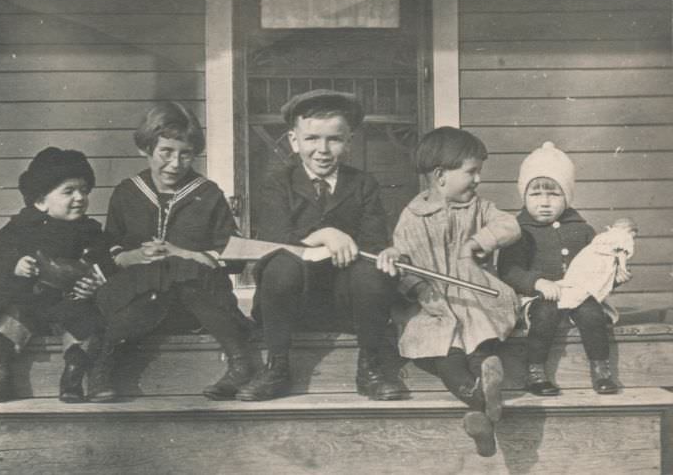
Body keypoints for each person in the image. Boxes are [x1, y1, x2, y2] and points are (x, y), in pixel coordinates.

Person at [237, 89, 408, 402]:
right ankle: (276, 366)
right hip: (291, 303)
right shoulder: (278, 182)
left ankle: (370, 366)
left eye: (334, 139)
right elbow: (273, 236)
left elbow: (372, 241)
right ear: (293, 140)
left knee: (373, 273)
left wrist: (387, 252)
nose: (323, 149)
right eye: (312, 138)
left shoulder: (362, 184)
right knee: (280, 264)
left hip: (345, 305)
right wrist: (324, 234)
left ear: (349, 142)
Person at [89, 101, 253, 402]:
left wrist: (183, 253)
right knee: (138, 298)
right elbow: (109, 246)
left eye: (185, 154)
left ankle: (240, 363)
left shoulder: (208, 194)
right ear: (146, 149)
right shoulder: (128, 192)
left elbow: (233, 253)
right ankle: (102, 368)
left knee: (188, 279)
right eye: (166, 152)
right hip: (143, 308)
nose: (175, 164)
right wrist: (131, 257)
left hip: (196, 308)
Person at [377, 127, 520, 457]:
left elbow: (510, 226)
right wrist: (412, 280)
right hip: (433, 305)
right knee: (446, 356)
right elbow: (404, 267)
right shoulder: (412, 217)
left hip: (473, 300)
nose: (478, 180)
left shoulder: (480, 209)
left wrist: (480, 241)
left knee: (479, 348)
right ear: (440, 176)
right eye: (471, 172)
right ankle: (484, 404)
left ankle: (483, 402)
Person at [0, 147, 113, 403]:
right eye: (68, 191)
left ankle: (73, 379)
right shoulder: (22, 227)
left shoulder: (90, 231)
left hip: (71, 303)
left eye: (84, 190)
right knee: (6, 319)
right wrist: (15, 264)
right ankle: (1, 377)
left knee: (88, 326)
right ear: (41, 201)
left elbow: (104, 259)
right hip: (30, 300)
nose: (80, 197)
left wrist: (94, 279)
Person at [498, 142, 630, 397]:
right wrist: (538, 283)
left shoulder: (581, 228)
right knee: (545, 314)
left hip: (577, 293)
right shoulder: (518, 230)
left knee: (592, 312)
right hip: (538, 295)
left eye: (554, 194)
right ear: (523, 196)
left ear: (567, 196)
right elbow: (509, 270)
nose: (544, 202)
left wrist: (614, 276)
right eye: (535, 194)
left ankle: (601, 369)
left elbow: (597, 265)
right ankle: (535, 372)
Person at [556, 217, 637, 310]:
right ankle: (572, 302)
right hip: (602, 262)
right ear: (631, 231)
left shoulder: (603, 235)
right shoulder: (625, 236)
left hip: (586, 258)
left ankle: (565, 291)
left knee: (578, 279)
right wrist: (623, 268)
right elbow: (621, 253)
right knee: (595, 284)